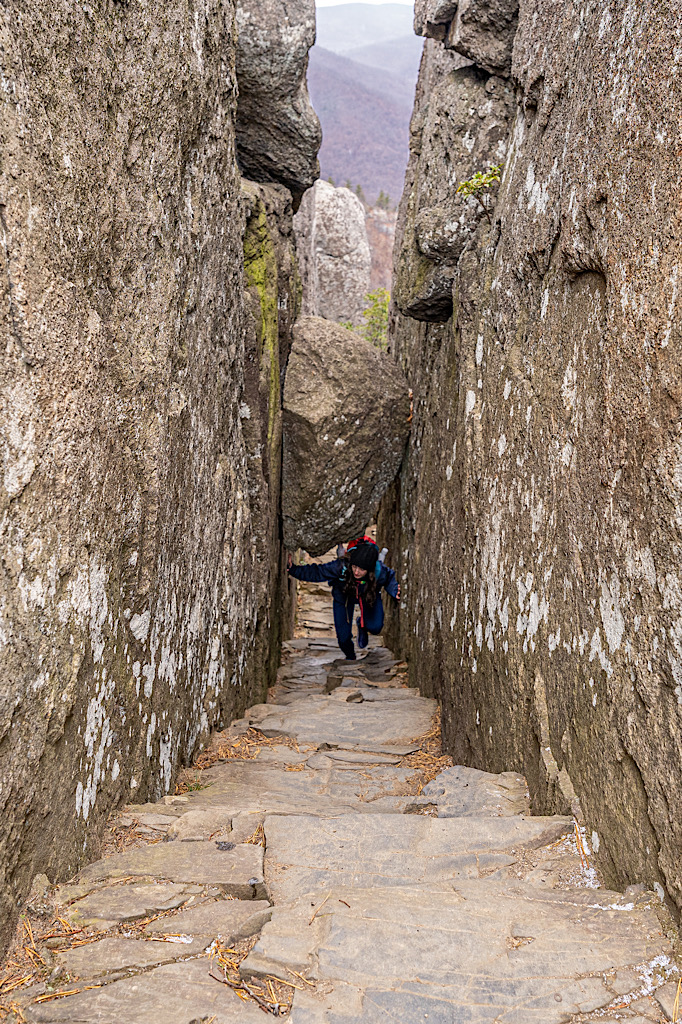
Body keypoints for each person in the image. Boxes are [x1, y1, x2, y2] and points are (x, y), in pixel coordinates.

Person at [287, 540, 401, 660]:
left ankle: (361, 625)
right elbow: (317, 572)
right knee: (343, 637)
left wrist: (394, 591)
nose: (356, 572)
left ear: (369, 570)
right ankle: (350, 657)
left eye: (361, 569)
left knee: (375, 627)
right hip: (344, 596)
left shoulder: (379, 572)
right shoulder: (341, 567)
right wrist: (293, 569)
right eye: (355, 567)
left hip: (368, 595)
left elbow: (389, 578)